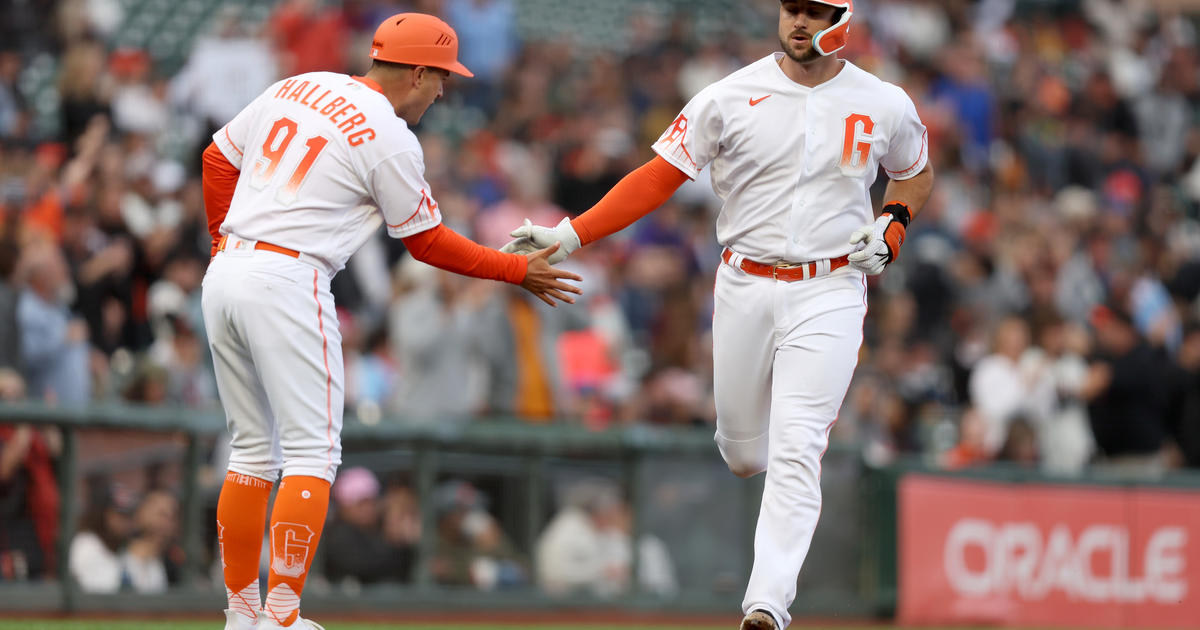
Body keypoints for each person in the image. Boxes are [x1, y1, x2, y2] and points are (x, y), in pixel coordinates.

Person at [504, 2, 933, 628]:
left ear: (843, 20)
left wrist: (892, 226)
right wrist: (571, 236)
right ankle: (761, 542)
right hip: (744, 283)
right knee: (740, 451)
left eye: (816, 12)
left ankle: (767, 604)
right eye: (792, 8)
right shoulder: (729, 96)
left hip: (831, 286)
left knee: (798, 447)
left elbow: (913, 176)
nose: (799, 22)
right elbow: (658, 177)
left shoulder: (885, 101)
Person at [200, 13, 582, 630]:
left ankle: (242, 614)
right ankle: (282, 615)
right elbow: (427, 243)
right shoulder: (389, 133)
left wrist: (222, 244)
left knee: (250, 451)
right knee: (311, 454)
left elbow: (217, 160)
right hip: (290, 278)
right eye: (442, 78)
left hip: (228, 274)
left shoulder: (298, 85)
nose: (443, 91)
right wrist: (515, 271)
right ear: (420, 70)